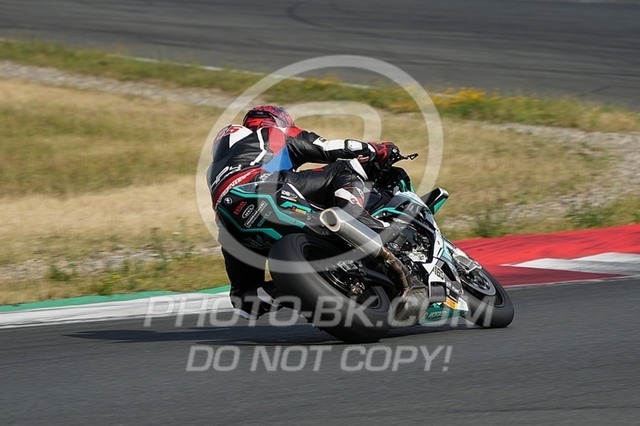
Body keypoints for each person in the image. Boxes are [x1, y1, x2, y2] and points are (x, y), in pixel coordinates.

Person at [207, 105, 399, 319]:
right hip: (263, 187)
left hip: (230, 225)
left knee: (245, 299)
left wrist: (298, 285)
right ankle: (361, 221)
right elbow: (329, 148)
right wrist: (378, 150)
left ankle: (284, 291)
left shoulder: (217, 167)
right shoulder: (271, 132)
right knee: (344, 168)